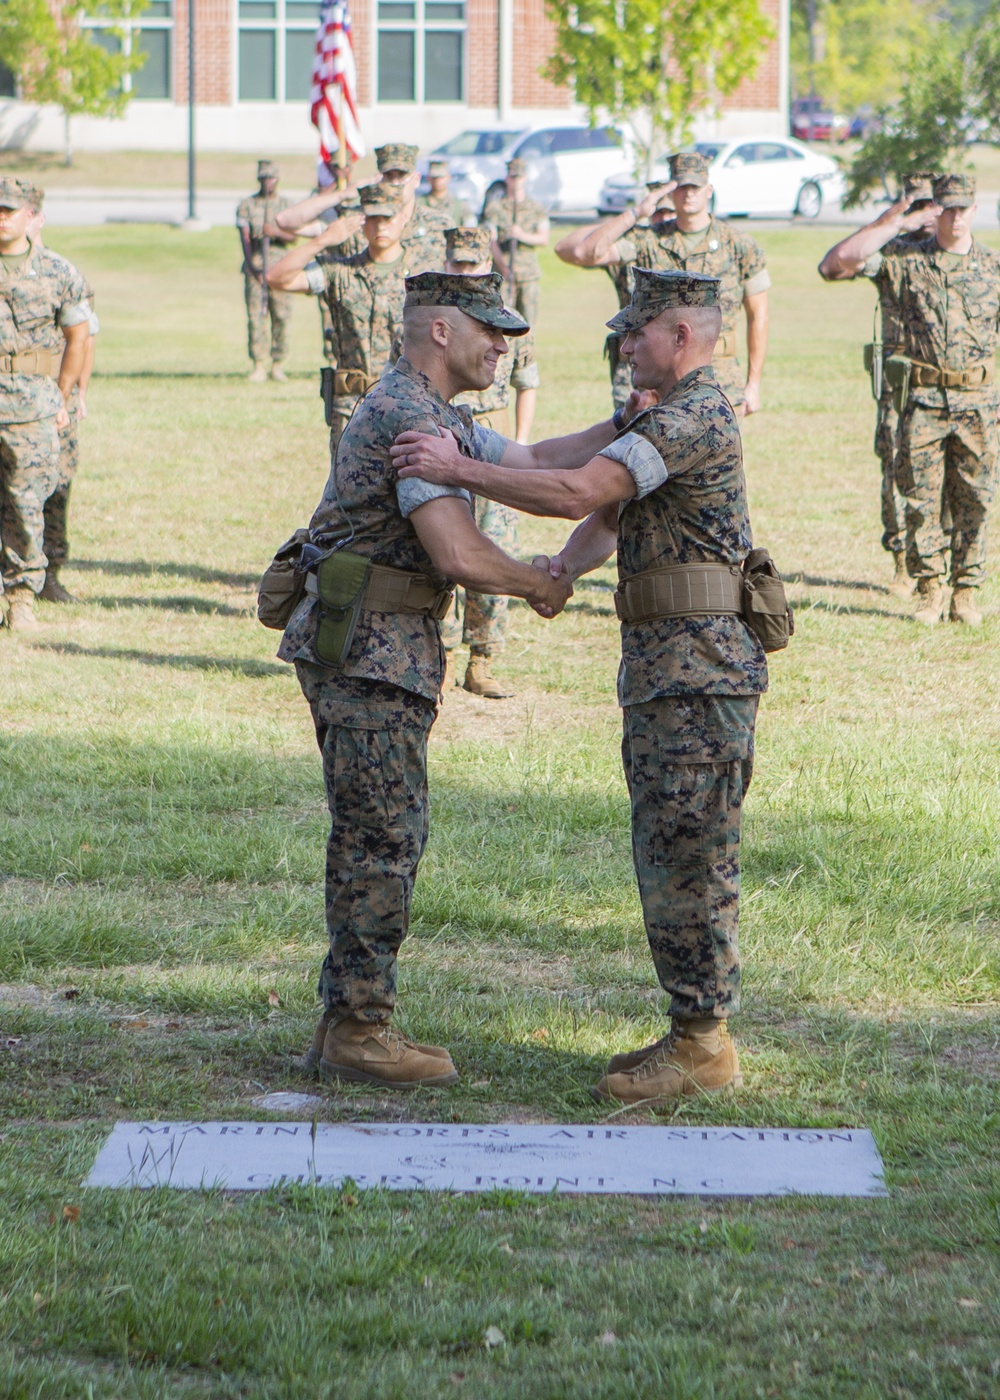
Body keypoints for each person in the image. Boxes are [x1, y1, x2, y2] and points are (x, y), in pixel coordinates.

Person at [392, 269, 767, 1105]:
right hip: (672, 671)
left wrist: (458, 466)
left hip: (699, 676)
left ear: (681, 335)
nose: (624, 345)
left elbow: (575, 492)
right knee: (666, 846)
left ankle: (705, 1042)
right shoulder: (665, 416)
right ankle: (691, 1029)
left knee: (691, 853)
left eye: (636, 332)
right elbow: (599, 512)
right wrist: (558, 571)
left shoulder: (696, 414)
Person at [280, 270, 640, 1089]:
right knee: (382, 839)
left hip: (380, 647)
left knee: (375, 834)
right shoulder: (411, 418)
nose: (505, 349)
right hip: (369, 651)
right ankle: (361, 1030)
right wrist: (541, 581)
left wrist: (623, 425)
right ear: (440, 330)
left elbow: (544, 457)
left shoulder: (436, 415)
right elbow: (456, 554)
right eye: (491, 333)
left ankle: (347, 1019)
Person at [819, 172, 998, 626]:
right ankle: (930, 590)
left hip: (979, 401)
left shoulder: (992, 268)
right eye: (946, 208)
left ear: (975, 211)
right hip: (922, 400)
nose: (954, 217)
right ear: (935, 209)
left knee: (975, 499)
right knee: (920, 500)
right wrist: (900, 220)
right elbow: (838, 262)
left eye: (962, 209)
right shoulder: (905, 261)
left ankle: (966, 592)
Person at [555, 152, 770, 417]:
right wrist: (635, 213)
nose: (689, 194)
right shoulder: (648, 240)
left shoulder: (738, 245)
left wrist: (754, 384)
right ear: (671, 191)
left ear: (709, 190)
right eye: (681, 187)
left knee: (717, 456)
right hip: (655, 382)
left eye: (696, 187)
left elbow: (758, 314)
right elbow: (582, 253)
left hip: (718, 375)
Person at [817, 173, 938, 598]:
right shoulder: (892, 254)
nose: (927, 215)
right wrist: (893, 224)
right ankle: (903, 559)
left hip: (952, 388)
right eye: (916, 206)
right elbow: (833, 266)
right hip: (901, 386)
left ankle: (941, 567)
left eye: (933, 204)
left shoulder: (965, 255)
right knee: (895, 468)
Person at [442, 226, 541, 698]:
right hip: (446, 438)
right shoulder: (436, 319)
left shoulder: (509, 320)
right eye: (456, 263)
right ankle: (440, 654)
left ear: (489, 264)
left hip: (495, 438)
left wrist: (521, 440)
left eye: (471, 263)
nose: (463, 271)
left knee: (495, 543)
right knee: (442, 545)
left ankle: (481, 659)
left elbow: (527, 380)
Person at [0, 176, 91, 632]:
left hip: (30, 405)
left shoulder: (58, 271)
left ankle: (21, 597)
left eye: (8, 210)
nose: (1, 217)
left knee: (24, 501)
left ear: (28, 216)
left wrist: (65, 392)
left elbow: (79, 336)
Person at [267, 183, 411, 451]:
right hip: (352, 409)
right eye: (372, 218)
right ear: (361, 222)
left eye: (388, 218)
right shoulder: (339, 272)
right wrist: (322, 240)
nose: (380, 227)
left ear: (403, 217)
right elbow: (276, 278)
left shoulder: (421, 277)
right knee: (346, 491)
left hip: (404, 409)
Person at [23, 184, 101, 604]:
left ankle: (50, 572)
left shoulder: (61, 272)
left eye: (30, 213)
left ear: (38, 218)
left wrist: (78, 394)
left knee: (58, 485)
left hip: (54, 395)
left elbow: (84, 338)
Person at [236, 160, 296, 383]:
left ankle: (278, 363)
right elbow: (243, 237)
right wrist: (253, 267)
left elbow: (294, 236)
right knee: (256, 317)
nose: (268, 183)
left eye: (271, 178)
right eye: (264, 178)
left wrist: (276, 232)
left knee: (281, 315)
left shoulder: (286, 205)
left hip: (280, 266)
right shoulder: (247, 205)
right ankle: (258, 364)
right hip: (257, 267)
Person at [483, 157, 550, 328]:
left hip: (528, 274)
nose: (516, 181)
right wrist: (503, 266)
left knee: (528, 322)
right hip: (504, 273)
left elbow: (543, 238)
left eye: (519, 177)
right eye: (513, 177)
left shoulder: (536, 208)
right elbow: (491, 241)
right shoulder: (496, 208)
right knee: (502, 321)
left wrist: (521, 235)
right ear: (507, 178)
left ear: (525, 178)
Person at [375, 143, 450, 275]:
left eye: (401, 176)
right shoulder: (366, 227)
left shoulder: (440, 225)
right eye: (389, 176)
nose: (395, 183)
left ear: (416, 180)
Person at [419, 159, 473, 229]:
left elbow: (470, 229)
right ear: (429, 178)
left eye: (441, 177)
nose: (438, 181)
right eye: (434, 177)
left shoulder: (460, 206)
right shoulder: (419, 204)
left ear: (448, 178)